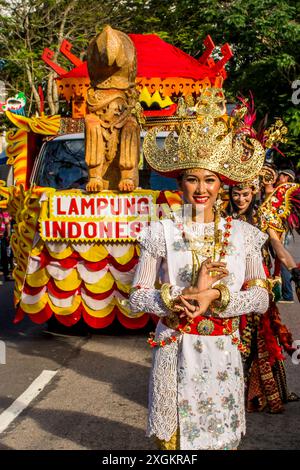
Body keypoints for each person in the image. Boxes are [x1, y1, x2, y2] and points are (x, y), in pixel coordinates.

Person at [129, 90, 269, 450]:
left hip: (222, 351)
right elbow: (137, 296)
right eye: (193, 179)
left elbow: (261, 297)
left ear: (222, 185)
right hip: (174, 349)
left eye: (210, 180)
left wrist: (213, 296)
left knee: (219, 439)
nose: (201, 189)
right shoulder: (160, 232)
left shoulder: (244, 235)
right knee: (174, 446)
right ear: (179, 185)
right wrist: (184, 299)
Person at [228, 181, 299, 412]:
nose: (241, 199)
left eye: (245, 194)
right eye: (236, 194)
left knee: (260, 338)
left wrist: (295, 270)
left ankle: (258, 391)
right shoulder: (221, 217)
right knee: (232, 337)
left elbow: (277, 246)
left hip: (258, 286)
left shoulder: (262, 219)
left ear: (254, 193)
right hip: (229, 286)